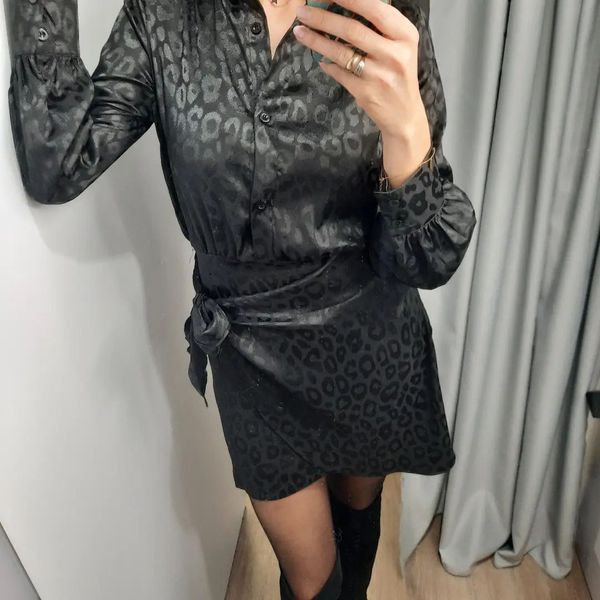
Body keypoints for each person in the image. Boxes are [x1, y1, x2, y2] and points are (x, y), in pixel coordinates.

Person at [7, 0, 476, 598]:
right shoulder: (163, 14)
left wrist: (407, 132)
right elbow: (59, 162)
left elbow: (423, 261)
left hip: (370, 338)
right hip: (251, 354)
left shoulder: (387, 11)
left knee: (359, 516)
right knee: (312, 580)